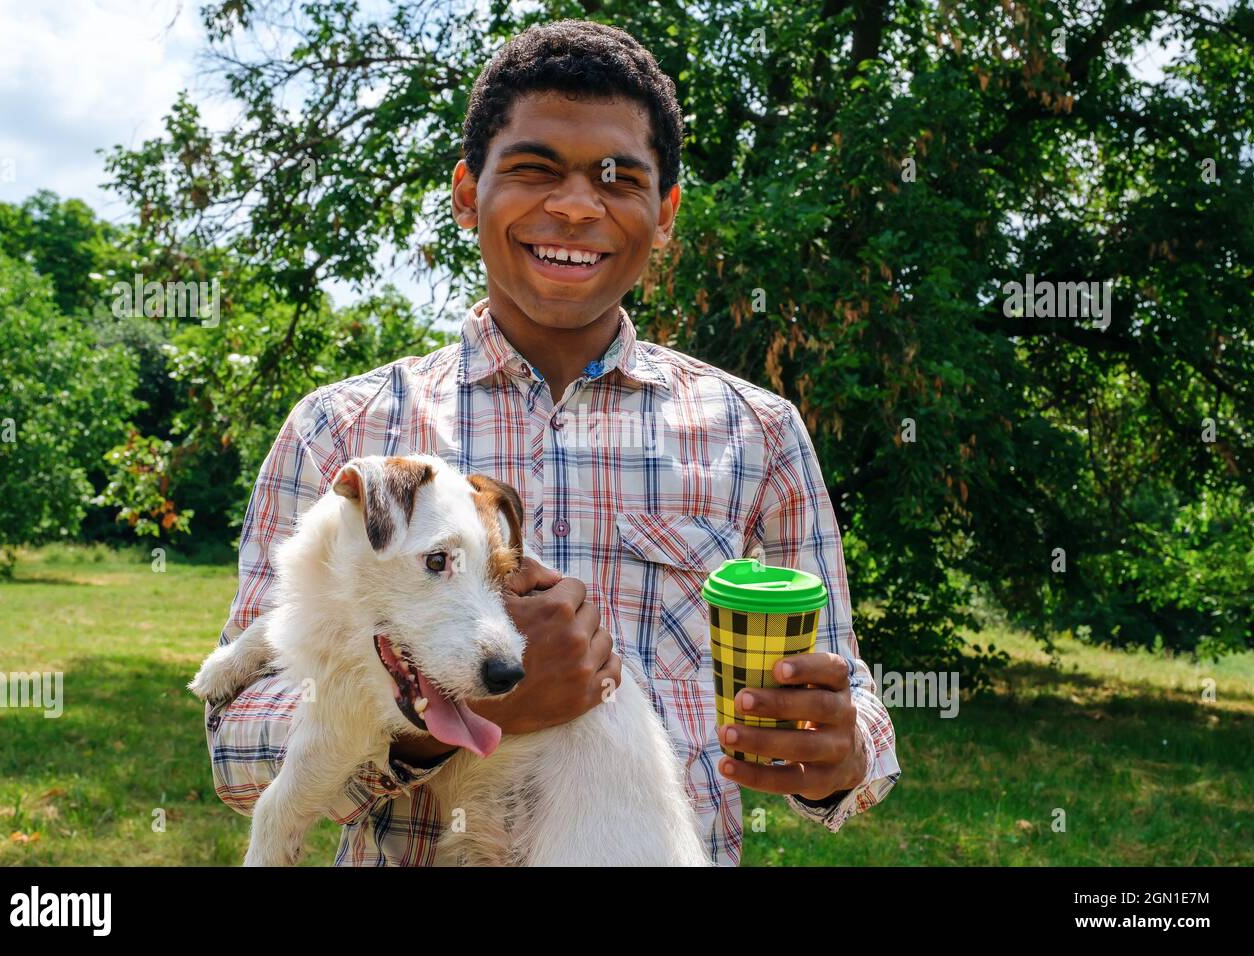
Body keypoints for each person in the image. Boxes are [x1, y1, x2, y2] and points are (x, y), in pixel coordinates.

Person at [205, 18, 900, 866]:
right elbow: (237, 747)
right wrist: (454, 718)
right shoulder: (342, 434)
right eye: (535, 170)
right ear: (468, 195)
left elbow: (855, 716)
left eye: (619, 178)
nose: (575, 205)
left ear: (665, 212)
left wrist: (840, 754)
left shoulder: (758, 436)